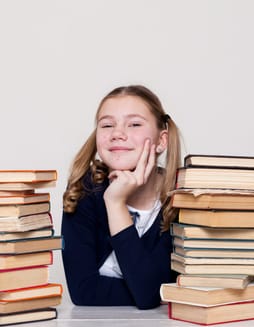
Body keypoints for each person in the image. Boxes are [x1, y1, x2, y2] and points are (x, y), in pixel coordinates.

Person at [61, 85, 181, 309]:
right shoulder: (83, 191)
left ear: (161, 141)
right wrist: (113, 200)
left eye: (134, 124)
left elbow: (150, 295)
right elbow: (83, 292)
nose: (117, 133)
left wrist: (116, 205)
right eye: (107, 125)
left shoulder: (180, 202)